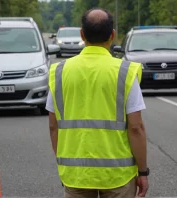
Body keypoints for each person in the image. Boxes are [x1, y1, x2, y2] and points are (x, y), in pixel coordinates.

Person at [46, 7, 149, 198]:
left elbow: (54, 127)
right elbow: (136, 128)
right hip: (118, 175)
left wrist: (65, 166)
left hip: (76, 174)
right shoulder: (125, 72)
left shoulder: (59, 72)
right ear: (112, 35)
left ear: (82, 35)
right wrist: (142, 172)